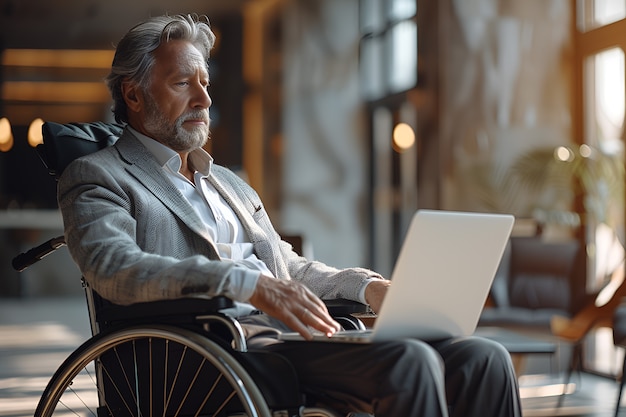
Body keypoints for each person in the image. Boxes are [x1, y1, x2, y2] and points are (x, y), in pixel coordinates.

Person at [58, 14, 522, 417]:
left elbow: (289, 267)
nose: (204, 100)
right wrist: (245, 284)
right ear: (134, 95)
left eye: (205, 83)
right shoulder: (99, 175)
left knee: (483, 358)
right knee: (409, 362)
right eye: (183, 84)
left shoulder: (229, 183)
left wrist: (368, 287)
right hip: (214, 353)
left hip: (295, 341)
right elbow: (112, 267)